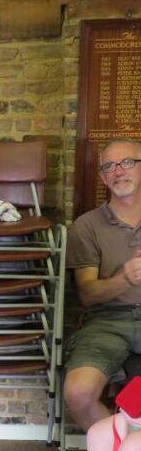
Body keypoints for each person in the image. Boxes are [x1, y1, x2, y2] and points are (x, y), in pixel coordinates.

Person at [64, 138, 141, 431]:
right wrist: (125, 278)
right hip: (106, 323)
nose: (118, 171)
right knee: (78, 394)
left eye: (127, 162)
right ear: (102, 177)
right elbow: (87, 294)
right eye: (109, 166)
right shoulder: (87, 226)